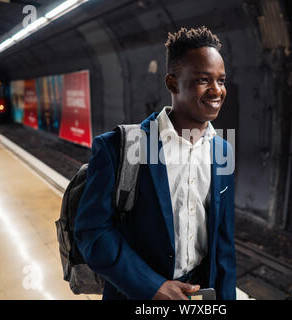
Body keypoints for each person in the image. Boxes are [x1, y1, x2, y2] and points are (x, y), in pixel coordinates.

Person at [74, 26, 236, 300]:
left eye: (221, 80)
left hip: (198, 295)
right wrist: (151, 287)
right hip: (135, 294)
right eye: (203, 80)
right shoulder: (120, 146)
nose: (216, 91)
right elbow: (92, 231)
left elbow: (224, 245)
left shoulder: (222, 149)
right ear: (172, 83)